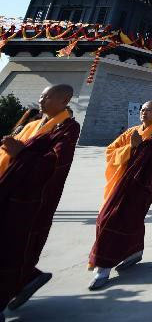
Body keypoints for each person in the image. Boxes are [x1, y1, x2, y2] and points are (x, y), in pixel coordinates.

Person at [0, 85, 80, 312]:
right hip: (8, 187)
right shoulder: (32, 125)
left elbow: (56, 163)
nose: (41, 101)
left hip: (31, 198)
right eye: (41, 96)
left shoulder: (68, 128)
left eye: (47, 97)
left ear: (64, 100)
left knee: (12, 246)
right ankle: (28, 279)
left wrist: (21, 152)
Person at [88, 100, 152, 290]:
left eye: (149, 110)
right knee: (114, 218)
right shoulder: (131, 132)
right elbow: (110, 151)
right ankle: (134, 252)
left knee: (112, 219)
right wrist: (131, 147)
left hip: (140, 184)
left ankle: (103, 267)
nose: (144, 112)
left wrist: (140, 147)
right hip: (121, 182)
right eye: (142, 109)